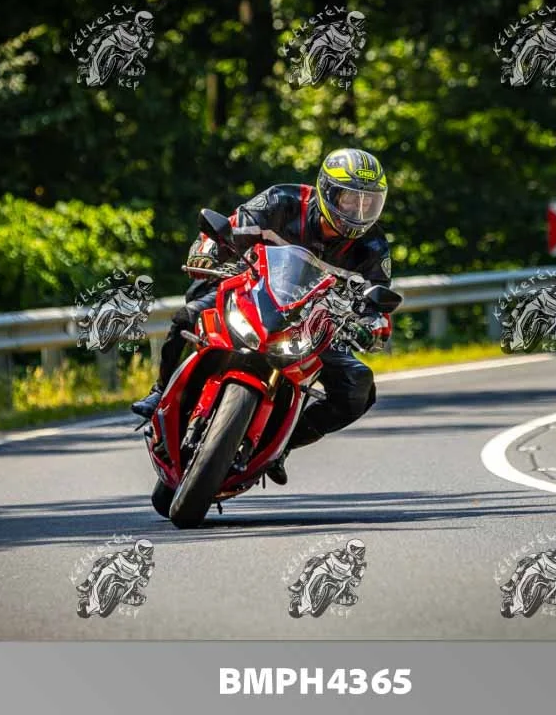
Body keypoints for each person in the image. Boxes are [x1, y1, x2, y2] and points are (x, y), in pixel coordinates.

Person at [131, 148, 394, 486]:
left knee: (358, 387)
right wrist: (207, 252)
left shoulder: (374, 247)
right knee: (189, 314)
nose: (358, 211)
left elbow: (377, 303)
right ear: (327, 192)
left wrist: (373, 325)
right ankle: (160, 391)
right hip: (252, 293)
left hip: (311, 326)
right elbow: (229, 227)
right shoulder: (282, 201)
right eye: (350, 199)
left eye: (368, 203)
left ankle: (282, 445)